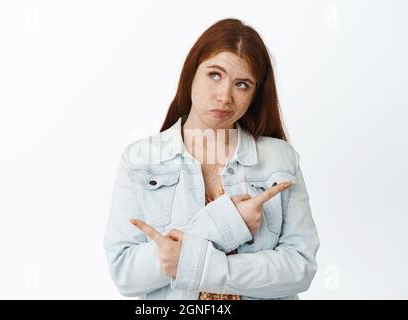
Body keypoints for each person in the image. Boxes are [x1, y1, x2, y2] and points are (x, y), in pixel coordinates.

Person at [103, 18, 320, 300]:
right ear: (191, 73)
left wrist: (198, 266)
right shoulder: (141, 159)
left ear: (255, 95)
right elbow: (125, 274)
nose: (224, 96)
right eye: (214, 75)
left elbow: (300, 268)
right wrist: (226, 223)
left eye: (242, 84)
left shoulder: (279, 159)